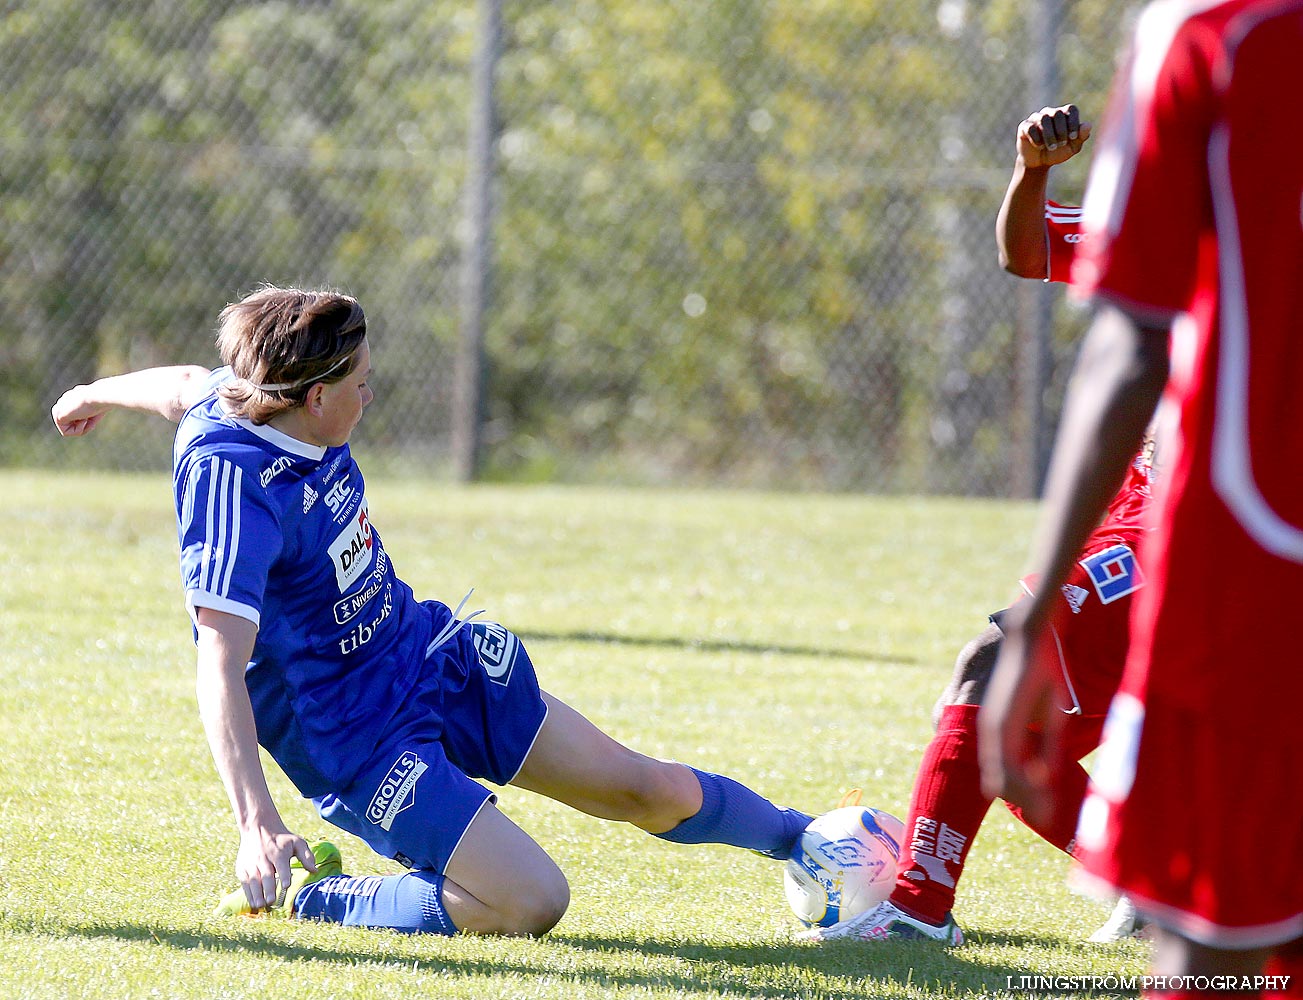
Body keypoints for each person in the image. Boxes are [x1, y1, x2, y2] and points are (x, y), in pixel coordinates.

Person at [51, 286, 813, 935]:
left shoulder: (255, 390)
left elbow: (184, 382)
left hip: (426, 655)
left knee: (642, 788)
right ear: (315, 399)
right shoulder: (234, 488)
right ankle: (325, 898)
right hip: (359, 740)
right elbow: (219, 666)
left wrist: (92, 393)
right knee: (532, 901)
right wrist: (256, 822)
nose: (369, 394)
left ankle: (810, 843)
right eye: (360, 382)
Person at [980, 2, 1303, 996]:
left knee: (1218, 940)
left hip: (1241, 552)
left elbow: (1128, 344)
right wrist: (1034, 175)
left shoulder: (1215, 36)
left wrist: (1034, 619)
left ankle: (926, 894)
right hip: (1205, 527)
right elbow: (1029, 251)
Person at [803, 104, 1153, 946]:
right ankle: (1150, 880)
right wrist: (1032, 172)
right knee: (1010, 713)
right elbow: (1025, 252)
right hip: (1151, 517)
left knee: (995, 674)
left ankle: (916, 915)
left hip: (1208, 530)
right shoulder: (1192, 217)